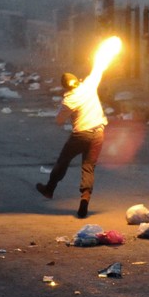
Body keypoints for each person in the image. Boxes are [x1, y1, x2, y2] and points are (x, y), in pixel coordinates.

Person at [36, 66, 109, 218]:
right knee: (88, 167)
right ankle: (84, 200)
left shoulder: (69, 100)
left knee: (63, 161)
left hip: (80, 135)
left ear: (64, 87)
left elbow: (59, 120)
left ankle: (49, 189)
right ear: (77, 79)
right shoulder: (89, 84)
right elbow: (99, 67)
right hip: (98, 134)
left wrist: (65, 104)